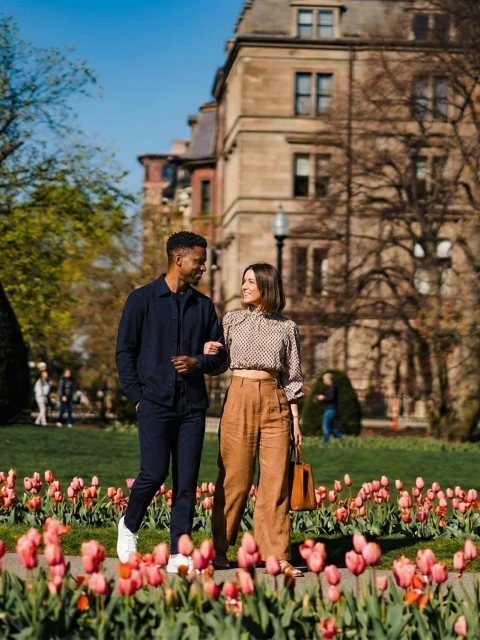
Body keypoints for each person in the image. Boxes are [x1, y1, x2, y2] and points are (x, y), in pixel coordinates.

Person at [115, 231, 227, 572]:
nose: (203, 267)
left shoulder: (204, 306)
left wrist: (199, 362)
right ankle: (129, 525)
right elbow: (125, 353)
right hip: (154, 404)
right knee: (153, 473)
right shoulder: (141, 299)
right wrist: (137, 397)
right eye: (199, 260)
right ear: (179, 259)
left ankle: (180, 550)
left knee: (187, 480)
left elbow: (220, 358)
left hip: (192, 407)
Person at [204, 262, 304, 577]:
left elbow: (293, 375)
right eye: (244, 280)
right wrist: (208, 351)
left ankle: (276, 555)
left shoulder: (287, 327)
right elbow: (218, 365)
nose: (244, 286)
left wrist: (296, 419)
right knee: (235, 479)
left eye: (250, 281)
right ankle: (220, 548)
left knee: (275, 483)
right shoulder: (232, 320)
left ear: (266, 286)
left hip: (275, 403)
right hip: (239, 397)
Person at [316, 372, 343, 443]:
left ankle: (326, 442)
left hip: (330, 409)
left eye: (324, 379)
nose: (323, 381)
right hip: (329, 408)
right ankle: (340, 436)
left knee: (325, 426)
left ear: (328, 379)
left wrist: (323, 397)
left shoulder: (333, 387)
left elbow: (331, 398)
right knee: (329, 426)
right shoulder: (330, 388)